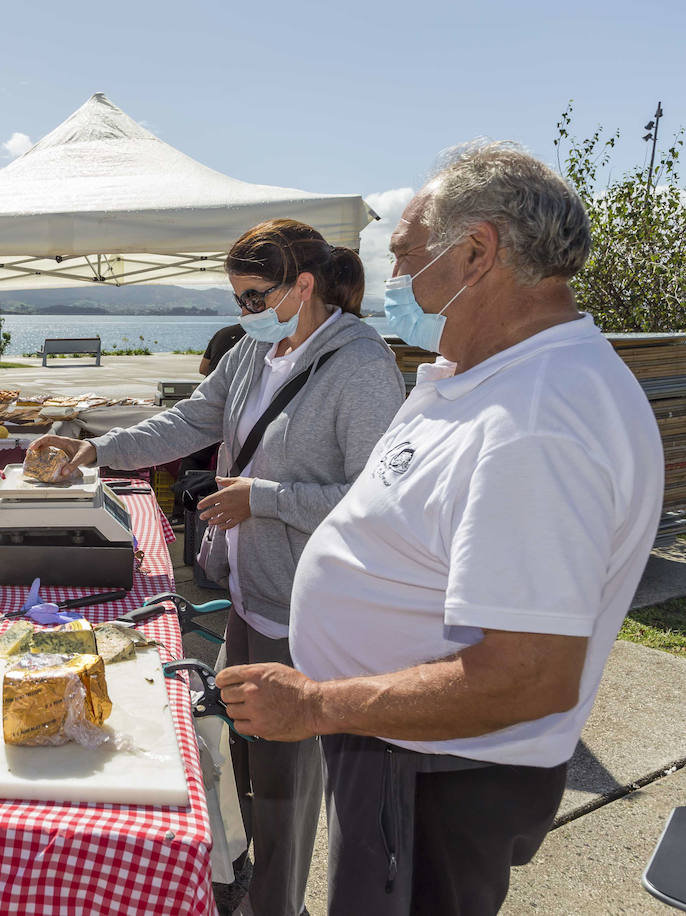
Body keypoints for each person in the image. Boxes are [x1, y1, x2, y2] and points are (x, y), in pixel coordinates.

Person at [215, 143, 663, 915]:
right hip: (405, 752)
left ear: (477, 252)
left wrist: (318, 704)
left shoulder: (538, 419)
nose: (393, 280)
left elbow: (526, 675)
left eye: (405, 256)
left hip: (435, 771)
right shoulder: (487, 376)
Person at [34, 218, 405, 916]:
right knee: (243, 767)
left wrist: (263, 500)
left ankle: (278, 904)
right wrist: (95, 450)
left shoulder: (361, 366)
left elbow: (380, 503)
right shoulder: (250, 354)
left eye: (254, 297)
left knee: (288, 787)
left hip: (308, 614)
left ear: (304, 285)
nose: (243, 313)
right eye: (236, 299)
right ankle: (241, 887)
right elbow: (188, 422)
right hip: (249, 596)